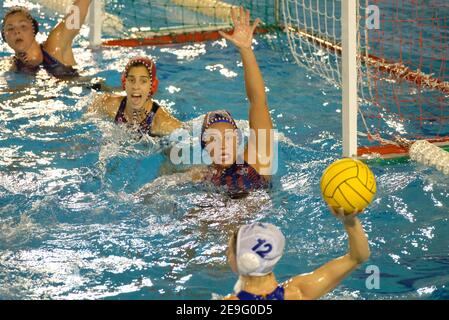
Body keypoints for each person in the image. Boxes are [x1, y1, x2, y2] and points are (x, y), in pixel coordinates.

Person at [182, 7, 274, 197]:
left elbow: (258, 102)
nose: (223, 145)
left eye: (229, 138)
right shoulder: (200, 177)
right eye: (214, 138)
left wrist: (246, 50)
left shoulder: (256, 161)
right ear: (204, 146)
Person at [224, 207, 371, 300]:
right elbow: (358, 256)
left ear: (244, 259)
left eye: (229, 250)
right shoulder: (300, 292)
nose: (226, 254)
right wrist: (350, 221)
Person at [88, 56, 183, 137]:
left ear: (152, 85)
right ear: (124, 82)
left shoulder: (162, 123)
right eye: (131, 80)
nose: (136, 87)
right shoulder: (108, 104)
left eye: (143, 81)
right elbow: (86, 124)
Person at [1, 0, 92, 77]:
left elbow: (78, 11)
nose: (17, 31)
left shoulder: (55, 45)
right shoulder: (10, 66)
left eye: (23, 26)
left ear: (34, 30)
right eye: (10, 28)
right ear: (4, 37)